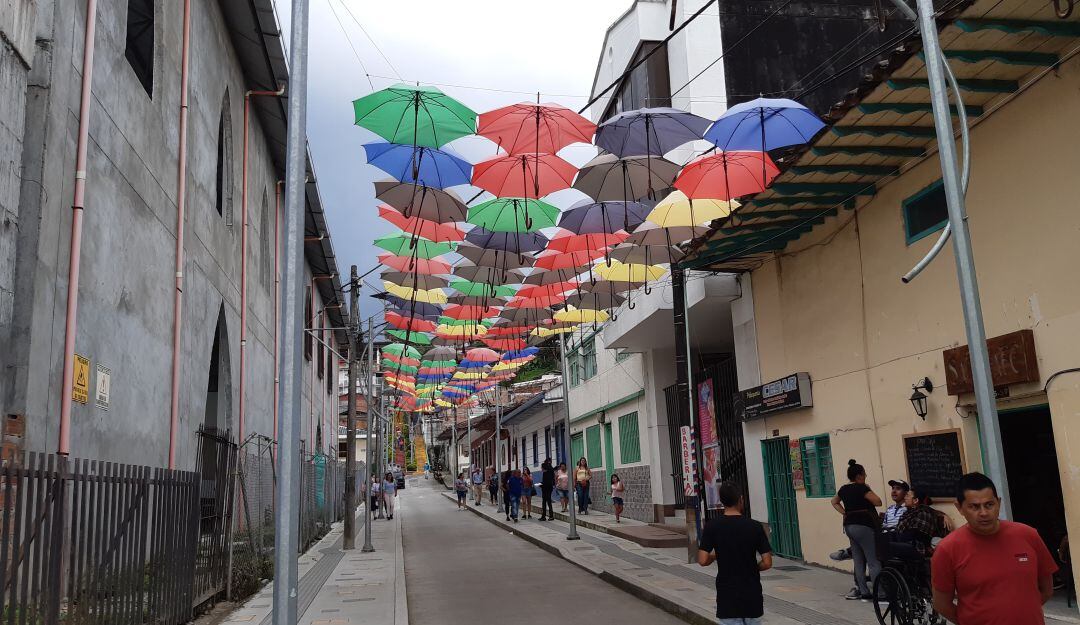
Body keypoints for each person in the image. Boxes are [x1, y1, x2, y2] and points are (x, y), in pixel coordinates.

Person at [932, 472, 1057, 625]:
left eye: (989, 504)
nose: (984, 513)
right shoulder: (947, 549)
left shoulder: (1028, 535)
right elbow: (941, 604)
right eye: (974, 507)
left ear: (998, 503)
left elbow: (1047, 590)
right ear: (960, 508)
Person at [697, 482, 773, 625]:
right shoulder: (754, 526)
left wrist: (715, 556)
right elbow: (767, 562)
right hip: (752, 594)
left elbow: (702, 560)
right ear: (741, 499)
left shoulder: (712, 526)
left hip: (727, 595)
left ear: (722, 502)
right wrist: (752, 567)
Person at [830, 459, 882, 601]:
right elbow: (878, 501)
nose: (866, 476)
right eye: (864, 474)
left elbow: (834, 502)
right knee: (873, 561)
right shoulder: (862, 488)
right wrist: (867, 488)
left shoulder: (843, 489)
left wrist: (845, 512)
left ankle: (863, 591)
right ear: (859, 475)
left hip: (849, 526)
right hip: (864, 526)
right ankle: (880, 593)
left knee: (858, 560)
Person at [894, 484, 952, 556]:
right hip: (905, 542)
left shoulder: (923, 513)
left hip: (917, 548)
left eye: (907, 495)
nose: (904, 497)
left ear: (915, 500)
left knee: (889, 545)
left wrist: (897, 536)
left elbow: (917, 534)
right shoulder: (909, 512)